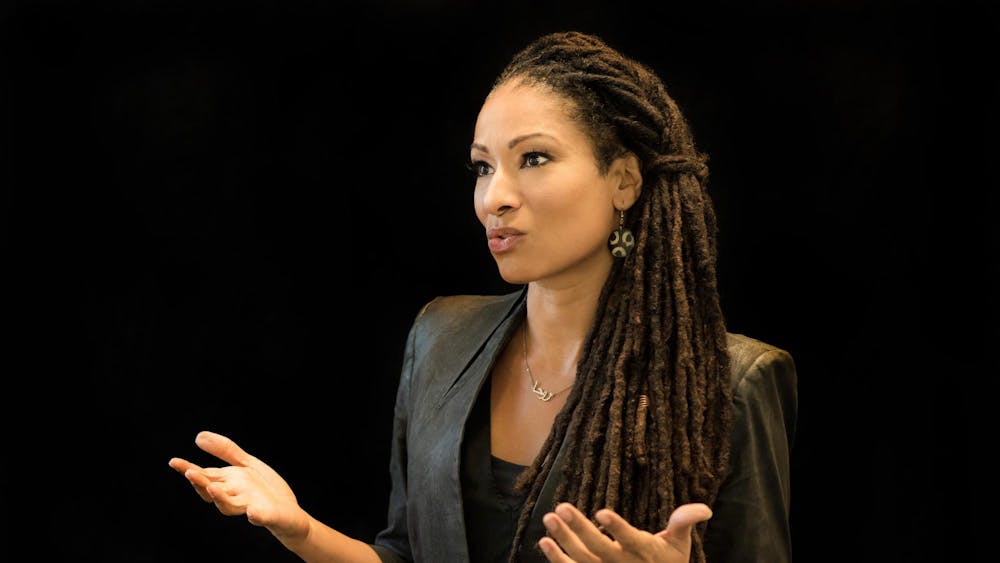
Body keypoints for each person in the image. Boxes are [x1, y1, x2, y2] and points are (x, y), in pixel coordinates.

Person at [169, 31, 797, 563]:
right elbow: (405, 553)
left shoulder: (731, 382)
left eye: (534, 159)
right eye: (483, 166)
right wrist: (300, 529)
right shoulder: (441, 337)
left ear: (624, 180)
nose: (494, 196)